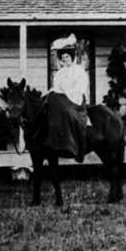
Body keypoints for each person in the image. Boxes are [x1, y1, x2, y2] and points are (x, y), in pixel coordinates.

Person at [43, 34, 89, 162]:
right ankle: (53, 141)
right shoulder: (60, 72)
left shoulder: (78, 71)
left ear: (72, 57)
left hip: (75, 100)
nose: (65, 59)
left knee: (65, 110)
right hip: (62, 99)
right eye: (63, 57)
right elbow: (56, 87)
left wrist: (66, 92)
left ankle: (71, 144)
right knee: (49, 101)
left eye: (67, 57)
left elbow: (80, 88)